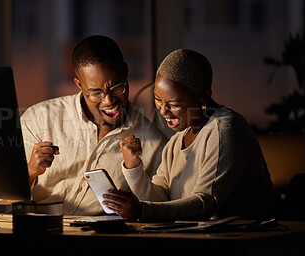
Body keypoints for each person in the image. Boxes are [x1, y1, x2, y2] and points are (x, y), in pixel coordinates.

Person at [102, 49, 282, 221]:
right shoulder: (176, 142)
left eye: (174, 103)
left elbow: (206, 203)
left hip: (252, 239)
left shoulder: (225, 128)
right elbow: (161, 200)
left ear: (203, 96)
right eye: (158, 99)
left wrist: (142, 210)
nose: (163, 111)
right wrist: (133, 167)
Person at [20, 35, 167, 215]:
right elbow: (2, 197)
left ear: (126, 71)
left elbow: (161, 210)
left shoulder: (155, 144)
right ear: (79, 84)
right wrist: (30, 171)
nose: (109, 100)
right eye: (96, 93)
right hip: (40, 231)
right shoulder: (39, 118)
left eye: (117, 87)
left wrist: (137, 206)